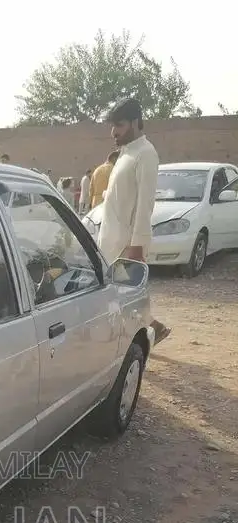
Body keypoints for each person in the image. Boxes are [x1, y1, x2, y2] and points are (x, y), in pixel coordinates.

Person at [97, 98, 171, 345]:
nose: (113, 132)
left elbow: (145, 204)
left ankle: (146, 334)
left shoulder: (146, 154)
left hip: (127, 246)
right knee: (119, 299)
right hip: (110, 241)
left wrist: (137, 246)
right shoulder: (125, 154)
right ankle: (151, 329)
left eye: (119, 125)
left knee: (123, 300)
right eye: (112, 125)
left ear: (136, 122)